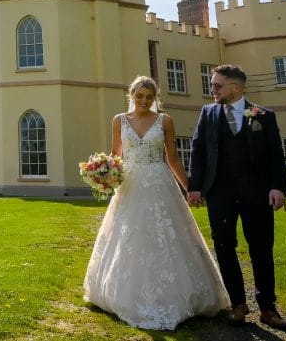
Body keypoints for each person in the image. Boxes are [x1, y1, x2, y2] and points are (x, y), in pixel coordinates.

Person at [84, 75, 229, 330]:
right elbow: (116, 157)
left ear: (155, 98)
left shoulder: (165, 121)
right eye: (139, 96)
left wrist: (189, 189)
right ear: (132, 96)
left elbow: (172, 159)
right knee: (128, 235)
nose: (144, 101)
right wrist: (104, 175)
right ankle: (120, 292)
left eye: (149, 97)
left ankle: (181, 295)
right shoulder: (119, 120)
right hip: (129, 184)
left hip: (159, 182)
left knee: (166, 234)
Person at [187, 64, 286, 329]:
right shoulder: (208, 113)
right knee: (223, 246)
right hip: (220, 193)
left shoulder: (263, 116)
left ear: (236, 87)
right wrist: (195, 187)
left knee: (261, 249)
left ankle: (267, 307)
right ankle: (238, 304)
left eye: (217, 85)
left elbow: (277, 155)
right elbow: (197, 151)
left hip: (257, 193)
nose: (212, 89)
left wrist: (278, 187)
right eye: (212, 84)